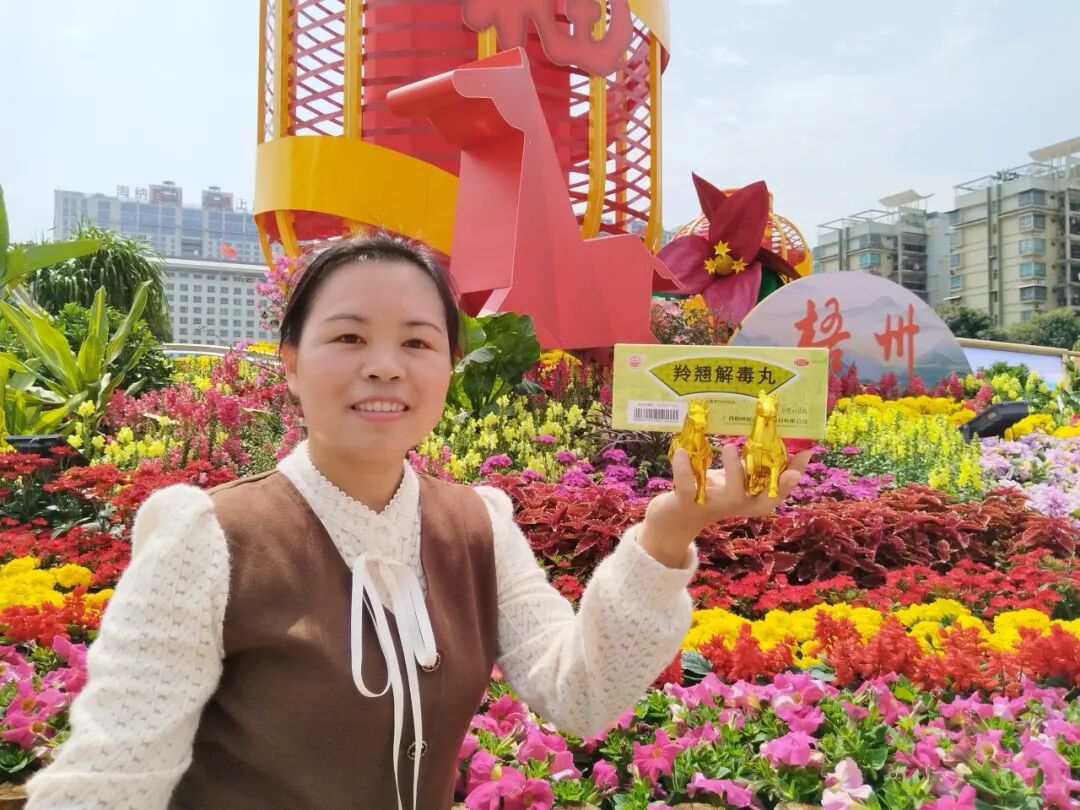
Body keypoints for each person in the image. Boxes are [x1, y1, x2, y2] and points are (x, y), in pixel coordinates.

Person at [27, 235, 811, 810]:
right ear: (290, 362)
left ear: (447, 366)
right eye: (348, 338)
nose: (385, 365)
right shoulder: (209, 537)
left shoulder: (477, 525)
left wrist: (669, 531)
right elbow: (111, 779)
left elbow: (581, 694)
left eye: (417, 341)